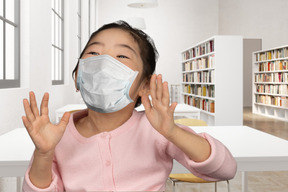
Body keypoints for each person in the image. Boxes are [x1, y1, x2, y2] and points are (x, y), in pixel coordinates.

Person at [22, 21, 237, 191]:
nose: (104, 62)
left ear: (144, 84)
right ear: (78, 75)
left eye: (122, 56)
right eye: (94, 53)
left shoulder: (156, 129)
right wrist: (43, 154)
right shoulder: (57, 137)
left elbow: (226, 169)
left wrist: (172, 132)